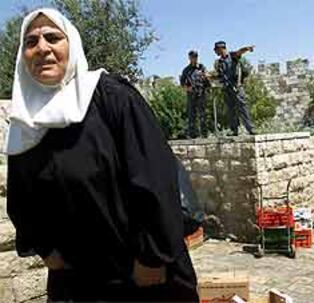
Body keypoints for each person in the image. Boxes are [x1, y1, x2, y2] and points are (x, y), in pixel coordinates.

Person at [5, 8, 198, 302]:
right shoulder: (25, 122)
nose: (42, 48)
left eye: (53, 37)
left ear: (72, 45)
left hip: (141, 275)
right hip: (78, 281)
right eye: (30, 42)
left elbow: (155, 178)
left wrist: (151, 258)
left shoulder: (110, 97)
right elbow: (22, 199)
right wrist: (46, 250)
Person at [213, 41, 255, 136]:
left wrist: (247, 48)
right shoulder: (219, 62)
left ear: (221, 48)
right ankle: (234, 130)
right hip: (227, 88)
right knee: (230, 110)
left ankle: (250, 129)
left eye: (216, 50)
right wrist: (210, 77)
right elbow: (220, 76)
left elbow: (240, 52)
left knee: (242, 108)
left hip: (236, 87)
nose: (215, 52)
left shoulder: (232, 56)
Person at [180, 50, 210, 138]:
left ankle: (204, 134)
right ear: (189, 58)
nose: (194, 58)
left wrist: (206, 77)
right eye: (192, 57)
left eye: (196, 56)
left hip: (201, 93)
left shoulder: (202, 67)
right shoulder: (186, 70)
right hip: (191, 95)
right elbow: (182, 83)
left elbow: (207, 80)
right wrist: (187, 88)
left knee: (203, 114)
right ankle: (192, 135)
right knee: (191, 115)